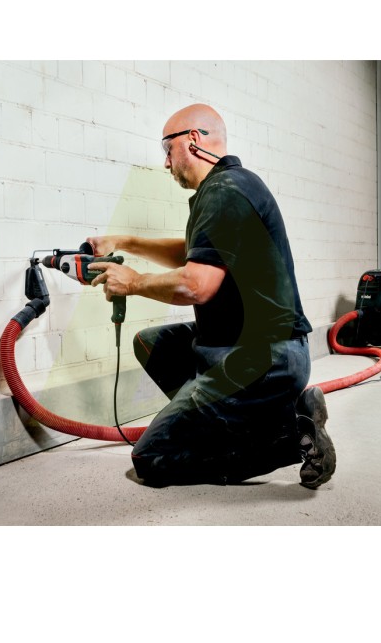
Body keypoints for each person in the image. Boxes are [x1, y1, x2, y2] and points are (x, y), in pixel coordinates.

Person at [87, 103, 336, 488]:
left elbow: (196, 285)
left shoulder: (224, 191)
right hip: (245, 347)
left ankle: (291, 434)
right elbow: (195, 251)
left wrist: (133, 283)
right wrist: (124, 242)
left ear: (193, 140)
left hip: (264, 360)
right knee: (152, 344)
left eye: (167, 149)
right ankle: (226, 422)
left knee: (151, 459)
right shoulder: (229, 186)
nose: (166, 163)